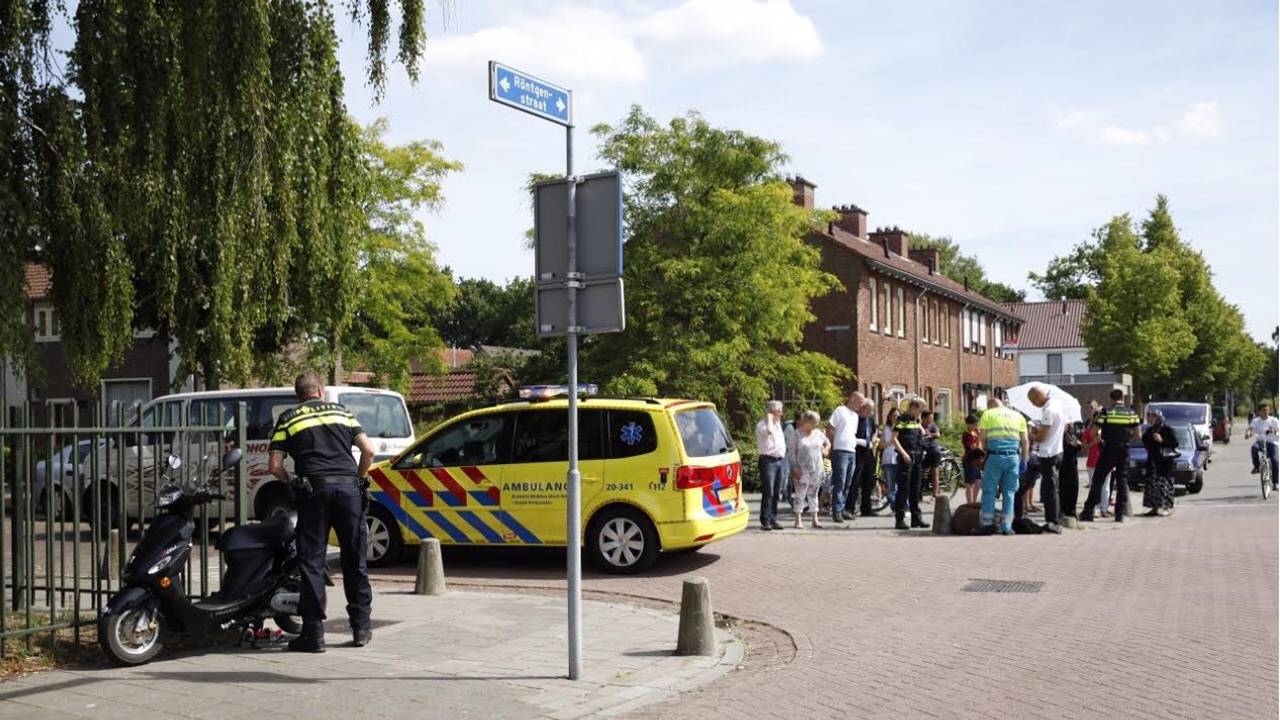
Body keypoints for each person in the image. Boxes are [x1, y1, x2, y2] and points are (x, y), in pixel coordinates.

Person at [267, 371, 376, 652]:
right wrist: (359, 478)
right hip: (349, 492)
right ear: (321, 391)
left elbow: (274, 466)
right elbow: (368, 450)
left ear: (298, 395)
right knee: (355, 560)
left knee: (312, 562)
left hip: (313, 492)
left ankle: (314, 635)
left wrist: (292, 482)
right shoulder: (343, 412)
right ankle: (361, 629)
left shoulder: (288, 418)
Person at [1080, 389, 1141, 523]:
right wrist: (1126, 439)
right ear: (1122, 398)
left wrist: (1103, 438)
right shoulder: (1131, 413)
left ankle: (1088, 512)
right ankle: (1119, 515)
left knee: (1098, 481)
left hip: (1108, 450)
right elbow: (1138, 434)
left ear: (1111, 399)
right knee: (1121, 481)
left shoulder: (1106, 412)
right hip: (1123, 450)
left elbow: (1094, 432)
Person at [975, 398, 1028, 535]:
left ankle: (987, 524)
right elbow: (1025, 441)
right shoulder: (1018, 416)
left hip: (995, 456)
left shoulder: (988, 414)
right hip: (1013, 458)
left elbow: (983, 439)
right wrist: (1024, 461)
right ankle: (1007, 527)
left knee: (989, 491)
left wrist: (987, 449)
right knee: (1009, 492)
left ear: (990, 406)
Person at [891, 398, 929, 530]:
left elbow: (921, 433)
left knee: (915, 488)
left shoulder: (916, 420)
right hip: (906, 457)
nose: (921, 412)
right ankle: (900, 520)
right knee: (904, 489)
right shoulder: (903, 419)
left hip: (917, 456)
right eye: (920, 409)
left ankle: (916, 518)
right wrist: (903, 453)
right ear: (913, 407)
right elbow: (894, 438)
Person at [788, 410, 831, 528]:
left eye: (816, 423)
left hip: (817, 467)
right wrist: (794, 468)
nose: (815, 425)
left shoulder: (817, 433)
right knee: (800, 494)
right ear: (806, 421)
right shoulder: (796, 434)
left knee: (814, 493)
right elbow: (791, 453)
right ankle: (798, 519)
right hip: (802, 468)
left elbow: (828, 443)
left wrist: (826, 449)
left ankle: (814, 519)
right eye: (813, 423)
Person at [828, 391, 864, 524]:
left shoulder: (855, 416)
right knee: (840, 481)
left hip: (851, 451)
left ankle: (842, 508)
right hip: (840, 450)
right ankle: (836, 511)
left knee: (848, 482)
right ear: (853, 399)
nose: (861, 405)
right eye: (860, 401)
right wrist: (832, 445)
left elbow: (852, 433)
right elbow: (830, 428)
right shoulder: (840, 410)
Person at [755, 400, 787, 531]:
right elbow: (768, 432)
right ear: (771, 411)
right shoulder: (763, 425)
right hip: (768, 461)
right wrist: (769, 419)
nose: (781, 412)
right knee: (769, 491)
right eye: (778, 409)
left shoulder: (778, 424)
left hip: (779, 460)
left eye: (781, 409)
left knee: (776, 492)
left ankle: (773, 518)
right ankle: (765, 520)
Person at [1141, 409, 1178, 517]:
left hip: (1164, 462)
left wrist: (1162, 440)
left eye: (1153, 417)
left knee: (1164, 483)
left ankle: (1166, 507)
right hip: (1153, 460)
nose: (1150, 419)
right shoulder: (1150, 430)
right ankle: (1154, 508)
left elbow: (1174, 443)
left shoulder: (1167, 429)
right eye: (1149, 417)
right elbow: (1145, 442)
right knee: (1152, 484)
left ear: (1158, 418)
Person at [851, 399, 879, 516]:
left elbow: (874, 432)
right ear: (863, 408)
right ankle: (850, 508)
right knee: (855, 482)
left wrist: (873, 439)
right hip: (858, 452)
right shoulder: (855, 419)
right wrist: (861, 442)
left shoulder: (870, 420)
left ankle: (866, 508)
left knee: (868, 482)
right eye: (870, 410)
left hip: (868, 453)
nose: (871, 412)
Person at [1080, 414, 1112, 518]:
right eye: (1097, 417)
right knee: (1093, 486)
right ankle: (1093, 509)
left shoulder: (1107, 430)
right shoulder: (1087, 431)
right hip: (1093, 462)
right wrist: (1095, 442)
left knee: (1105, 487)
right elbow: (1084, 447)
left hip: (1107, 461)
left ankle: (1104, 509)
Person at [1247, 403, 1279, 488]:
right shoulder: (1256, 421)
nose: (1266, 412)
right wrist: (1248, 433)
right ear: (1259, 412)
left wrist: (1273, 432)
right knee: (1254, 448)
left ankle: (1275, 483)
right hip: (1260, 442)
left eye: (1267, 410)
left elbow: (1278, 432)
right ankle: (1257, 467)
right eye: (1264, 410)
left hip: (1272, 443)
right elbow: (1250, 429)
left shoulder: (1274, 420)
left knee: (1275, 460)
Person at [1059, 420, 1083, 520]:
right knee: (1064, 487)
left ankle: (1072, 509)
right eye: (1070, 424)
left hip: (1073, 464)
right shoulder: (1062, 435)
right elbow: (1070, 447)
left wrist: (1076, 444)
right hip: (1065, 464)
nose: (1071, 426)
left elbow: (1079, 445)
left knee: (1074, 487)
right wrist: (1076, 445)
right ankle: (1064, 510)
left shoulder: (1072, 435)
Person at [961, 414, 984, 505]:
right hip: (969, 460)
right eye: (974, 424)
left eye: (977, 424)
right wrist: (978, 439)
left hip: (976, 460)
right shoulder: (966, 434)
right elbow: (972, 447)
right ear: (969, 424)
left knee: (978, 482)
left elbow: (979, 446)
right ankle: (969, 503)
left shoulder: (975, 433)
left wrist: (979, 437)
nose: (976, 426)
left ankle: (974, 502)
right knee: (969, 483)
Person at [880, 407, 900, 510]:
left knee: (899, 485)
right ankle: (895, 507)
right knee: (890, 486)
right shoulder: (886, 429)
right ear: (890, 417)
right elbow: (881, 445)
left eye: (897, 416)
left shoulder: (902, 429)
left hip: (898, 459)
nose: (895, 418)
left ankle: (898, 507)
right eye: (893, 416)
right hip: (888, 460)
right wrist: (892, 442)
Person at [921, 411, 943, 497]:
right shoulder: (920, 426)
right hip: (923, 452)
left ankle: (935, 494)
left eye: (932, 418)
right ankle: (920, 493)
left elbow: (938, 434)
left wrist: (930, 434)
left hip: (934, 451)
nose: (931, 420)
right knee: (920, 472)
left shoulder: (932, 425)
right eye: (930, 418)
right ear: (924, 418)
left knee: (935, 473)